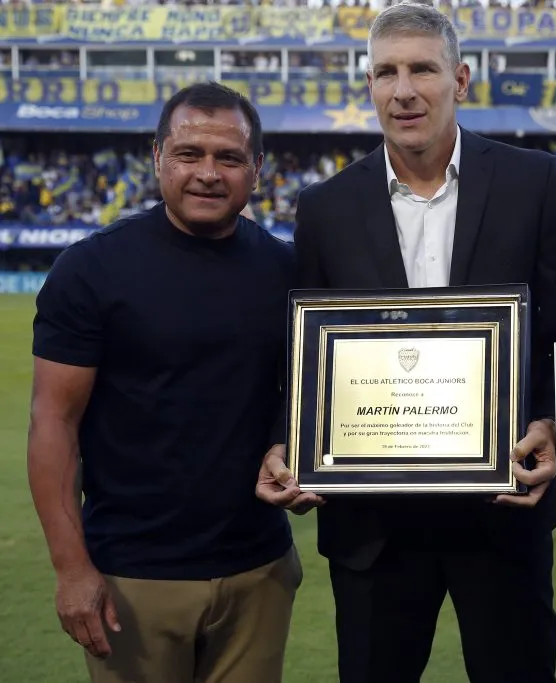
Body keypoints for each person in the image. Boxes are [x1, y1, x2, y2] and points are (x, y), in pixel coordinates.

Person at [255, 2, 556, 682]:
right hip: (373, 529)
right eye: (385, 72)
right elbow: (308, 357)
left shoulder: (533, 183)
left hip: (503, 515)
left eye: (422, 69)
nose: (403, 89)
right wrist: (286, 441)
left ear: (461, 80)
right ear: (369, 85)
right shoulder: (324, 206)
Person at [27, 82, 302, 683]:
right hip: (133, 579)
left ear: (257, 168)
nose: (208, 173)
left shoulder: (288, 272)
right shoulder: (91, 269)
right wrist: (71, 568)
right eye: (188, 154)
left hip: (259, 569)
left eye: (228, 158)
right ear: (157, 157)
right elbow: (54, 422)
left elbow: (310, 403)